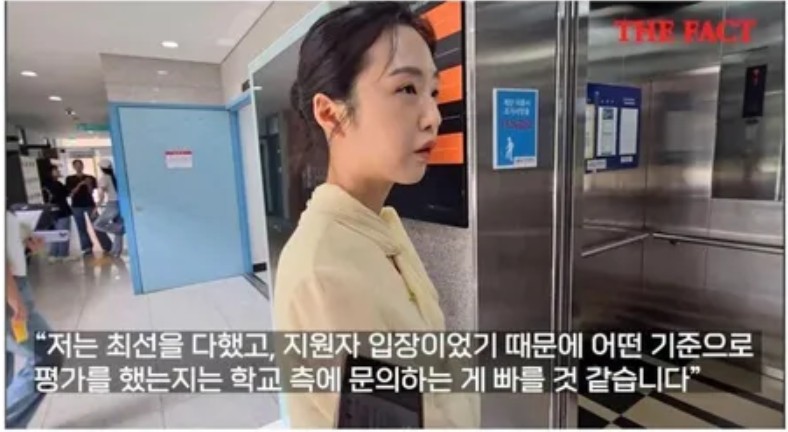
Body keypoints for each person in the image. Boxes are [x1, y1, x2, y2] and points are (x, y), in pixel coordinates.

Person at [273, 3, 478, 428]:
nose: (433, 117)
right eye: (406, 89)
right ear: (330, 113)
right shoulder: (325, 274)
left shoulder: (379, 226)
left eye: (433, 92)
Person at [6, 209, 60, 428]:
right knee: (47, 357)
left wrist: (23, 247)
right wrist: (13, 298)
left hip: (14, 285)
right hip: (8, 293)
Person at [65, 159, 113, 257]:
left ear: (83, 166)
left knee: (97, 225)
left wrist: (88, 184)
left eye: (80, 165)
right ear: (73, 167)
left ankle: (107, 246)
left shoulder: (90, 177)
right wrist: (80, 184)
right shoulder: (70, 179)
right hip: (76, 206)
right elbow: (71, 193)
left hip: (90, 204)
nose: (78, 167)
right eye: (76, 165)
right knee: (81, 227)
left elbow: (91, 192)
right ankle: (87, 247)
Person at [41, 166, 77, 263]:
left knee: (55, 234)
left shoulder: (45, 185)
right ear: (50, 172)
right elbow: (66, 194)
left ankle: (53, 254)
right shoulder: (56, 184)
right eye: (56, 170)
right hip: (62, 211)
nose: (58, 171)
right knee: (63, 233)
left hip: (50, 212)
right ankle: (63, 255)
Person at [92, 159, 124, 258]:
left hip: (112, 204)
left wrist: (96, 208)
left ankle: (121, 228)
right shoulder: (117, 177)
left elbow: (101, 196)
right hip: (122, 203)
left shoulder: (104, 179)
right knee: (118, 227)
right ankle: (116, 251)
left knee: (97, 224)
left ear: (101, 169)